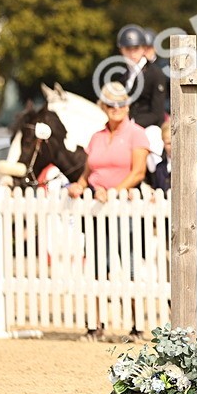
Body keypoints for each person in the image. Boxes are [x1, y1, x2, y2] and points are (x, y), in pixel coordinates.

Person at [68, 82, 150, 340]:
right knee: (96, 265)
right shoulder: (97, 136)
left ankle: (137, 325)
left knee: (130, 264)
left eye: (121, 103)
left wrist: (113, 192)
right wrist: (79, 185)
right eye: (111, 104)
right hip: (96, 207)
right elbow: (90, 170)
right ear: (103, 106)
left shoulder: (137, 133)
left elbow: (138, 171)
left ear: (127, 106)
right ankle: (96, 324)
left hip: (123, 206)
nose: (116, 108)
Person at [113, 24, 168, 130]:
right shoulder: (121, 74)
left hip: (150, 128)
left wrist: (131, 124)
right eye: (128, 49)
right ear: (121, 50)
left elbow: (157, 113)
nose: (132, 53)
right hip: (126, 126)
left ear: (143, 49)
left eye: (136, 48)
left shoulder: (155, 74)